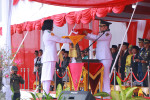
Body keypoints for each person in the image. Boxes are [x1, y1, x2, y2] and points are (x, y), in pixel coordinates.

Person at [41, 19, 72, 98]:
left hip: (48, 57)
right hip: (50, 57)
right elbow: (59, 39)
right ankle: (46, 94)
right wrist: (70, 40)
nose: (53, 27)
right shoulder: (49, 34)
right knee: (48, 76)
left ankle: (45, 93)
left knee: (46, 76)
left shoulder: (45, 33)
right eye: (52, 26)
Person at [84, 19, 112, 95]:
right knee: (101, 75)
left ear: (106, 27)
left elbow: (97, 38)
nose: (101, 28)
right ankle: (102, 91)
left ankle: (107, 92)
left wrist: (88, 34)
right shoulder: (100, 34)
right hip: (100, 57)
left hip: (106, 57)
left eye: (103, 26)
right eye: (100, 26)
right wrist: (84, 35)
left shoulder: (108, 34)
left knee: (105, 75)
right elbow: (94, 37)